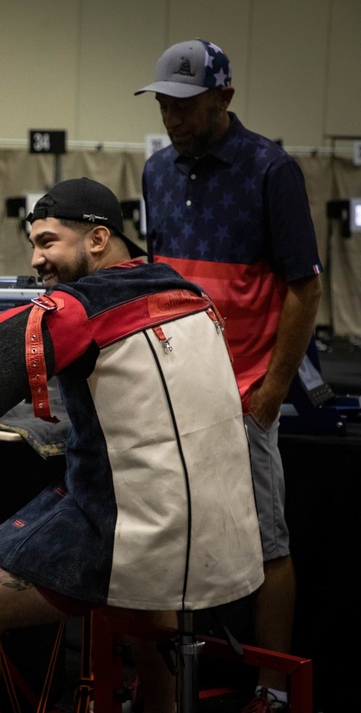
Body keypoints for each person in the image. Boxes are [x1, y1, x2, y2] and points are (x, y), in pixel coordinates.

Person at [0, 178, 265, 713]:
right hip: (215, 527)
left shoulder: (79, 309)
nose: (38, 259)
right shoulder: (188, 293)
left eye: (47, 241)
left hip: (131, 523)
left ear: (96, 239)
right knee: (150, 605)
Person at [135, 39, 323, 713]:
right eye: (163, 104)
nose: (173, 117)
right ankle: (160, 688)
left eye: (185, 104)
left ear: (225, 97)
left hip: (244, 395)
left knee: (267, 544)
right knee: (165, 537)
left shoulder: (271, 171)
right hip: (171, 395)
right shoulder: (155, 172)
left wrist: (269, 396)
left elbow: (304, 290)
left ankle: (271, 689)